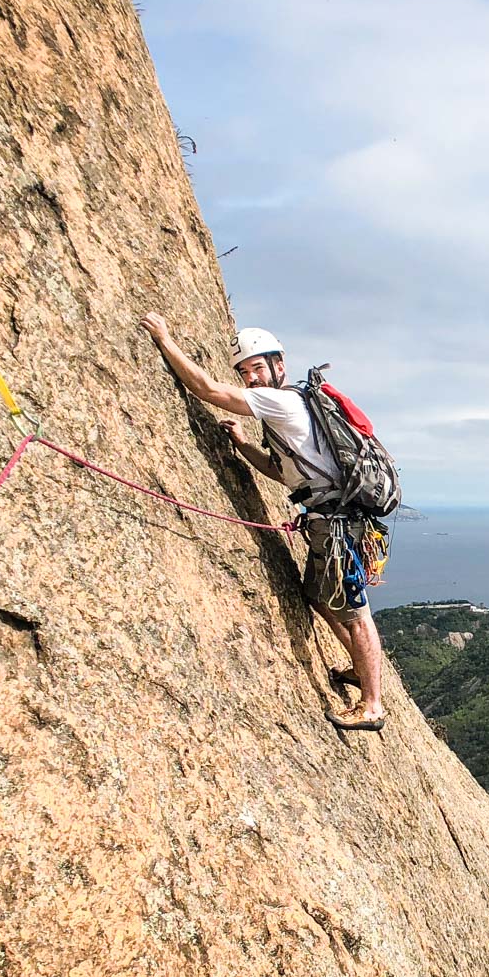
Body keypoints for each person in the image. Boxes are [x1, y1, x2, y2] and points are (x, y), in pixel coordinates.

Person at [138, 311, 386, 731]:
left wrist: (165, 340)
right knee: (318, 594)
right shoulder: (291, 410)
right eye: (245, 371)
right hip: (333, 521)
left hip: (339, 525)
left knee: (355, 611)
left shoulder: (282, 400)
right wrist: (242, 447)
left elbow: (208, 390)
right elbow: (281, 471)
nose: (251, 378)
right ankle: (362, 671)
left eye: (257, 368)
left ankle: (373, 705)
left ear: (279, 365)